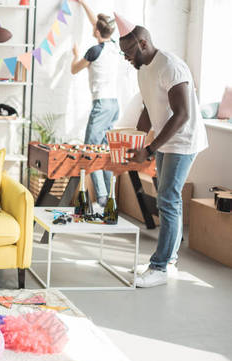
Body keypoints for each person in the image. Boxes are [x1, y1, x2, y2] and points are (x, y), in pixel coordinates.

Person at [115, 14, 208, 287]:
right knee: (168, 197)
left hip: (183, 140)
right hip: (166, 140)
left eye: (128, 52)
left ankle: (159, 267)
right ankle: (168, 259)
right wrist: (137, 141)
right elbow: (148, 108)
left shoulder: (171, 67)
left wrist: (150, 149)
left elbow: (182, 115)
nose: (125, 58)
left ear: (143, 43)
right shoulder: (143, 68)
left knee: (168, 198)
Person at [71, 0, 119, 207]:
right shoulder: (114, 47)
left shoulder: (93, 51)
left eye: (94, 27)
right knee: (105, 153)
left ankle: (100, 198)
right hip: (114, 105)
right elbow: (97, 22)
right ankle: (110, 198)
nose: (92, 27)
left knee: (91, 151)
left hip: (101, 106)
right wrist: (83, 3)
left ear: (97, 32)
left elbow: (74, 69)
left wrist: (75, 55)